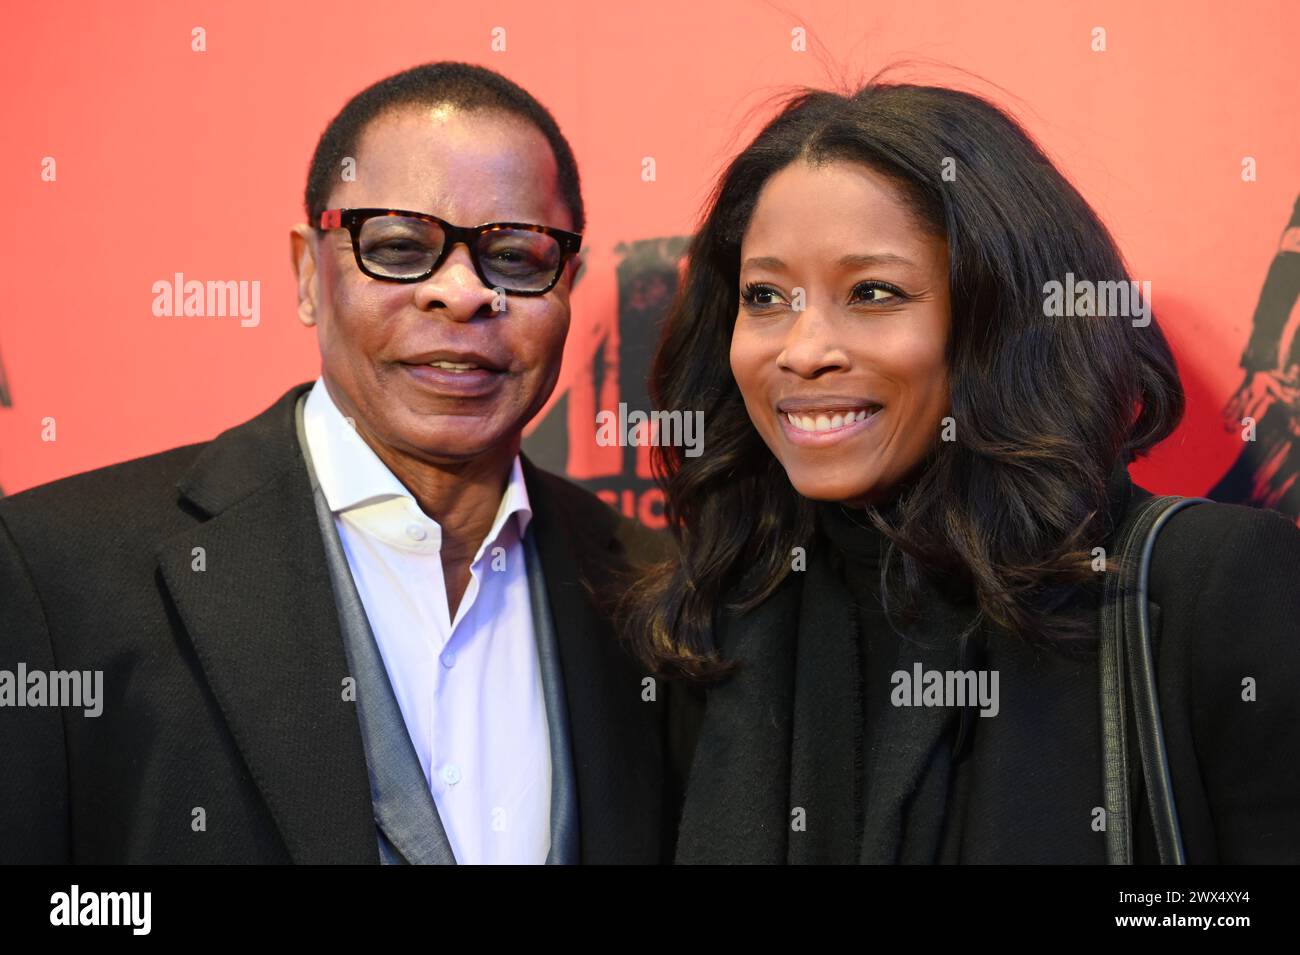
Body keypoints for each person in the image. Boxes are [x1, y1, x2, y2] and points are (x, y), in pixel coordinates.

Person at [0, 61, 678, 864]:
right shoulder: (60, 569)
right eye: (398, 246)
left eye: (518, 256)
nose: (461, 293)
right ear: (305, 273)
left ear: (570, 281)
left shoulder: (653, 586)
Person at [628, 81, 1300, 863]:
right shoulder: (711, 622)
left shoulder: (1212, 587)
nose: (803, 349)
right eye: (766, 295)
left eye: (872, 292)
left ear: (1000, 316)